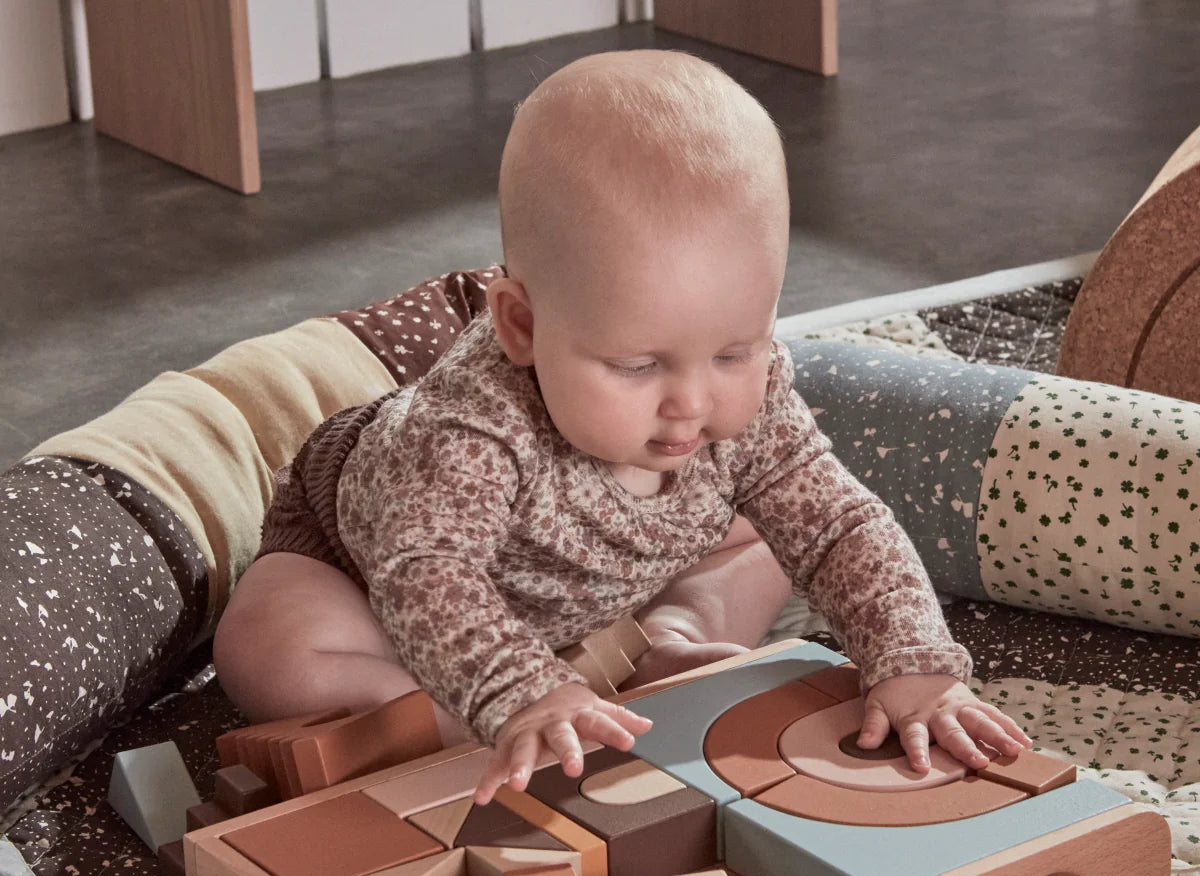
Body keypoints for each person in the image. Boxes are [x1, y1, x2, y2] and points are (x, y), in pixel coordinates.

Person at [213, 49, 1032, 805]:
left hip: (606, 582)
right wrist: (518, 689)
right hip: (374, 576)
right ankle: (433, 715)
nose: (691, 404)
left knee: (771, 536)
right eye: (639, 366)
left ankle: (661, 644)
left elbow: (841, 527)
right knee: (267, 647)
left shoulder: (743, 402)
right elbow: (426, 572)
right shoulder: (469, 429)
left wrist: (914, 660)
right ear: (523, 325)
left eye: (734, 351)